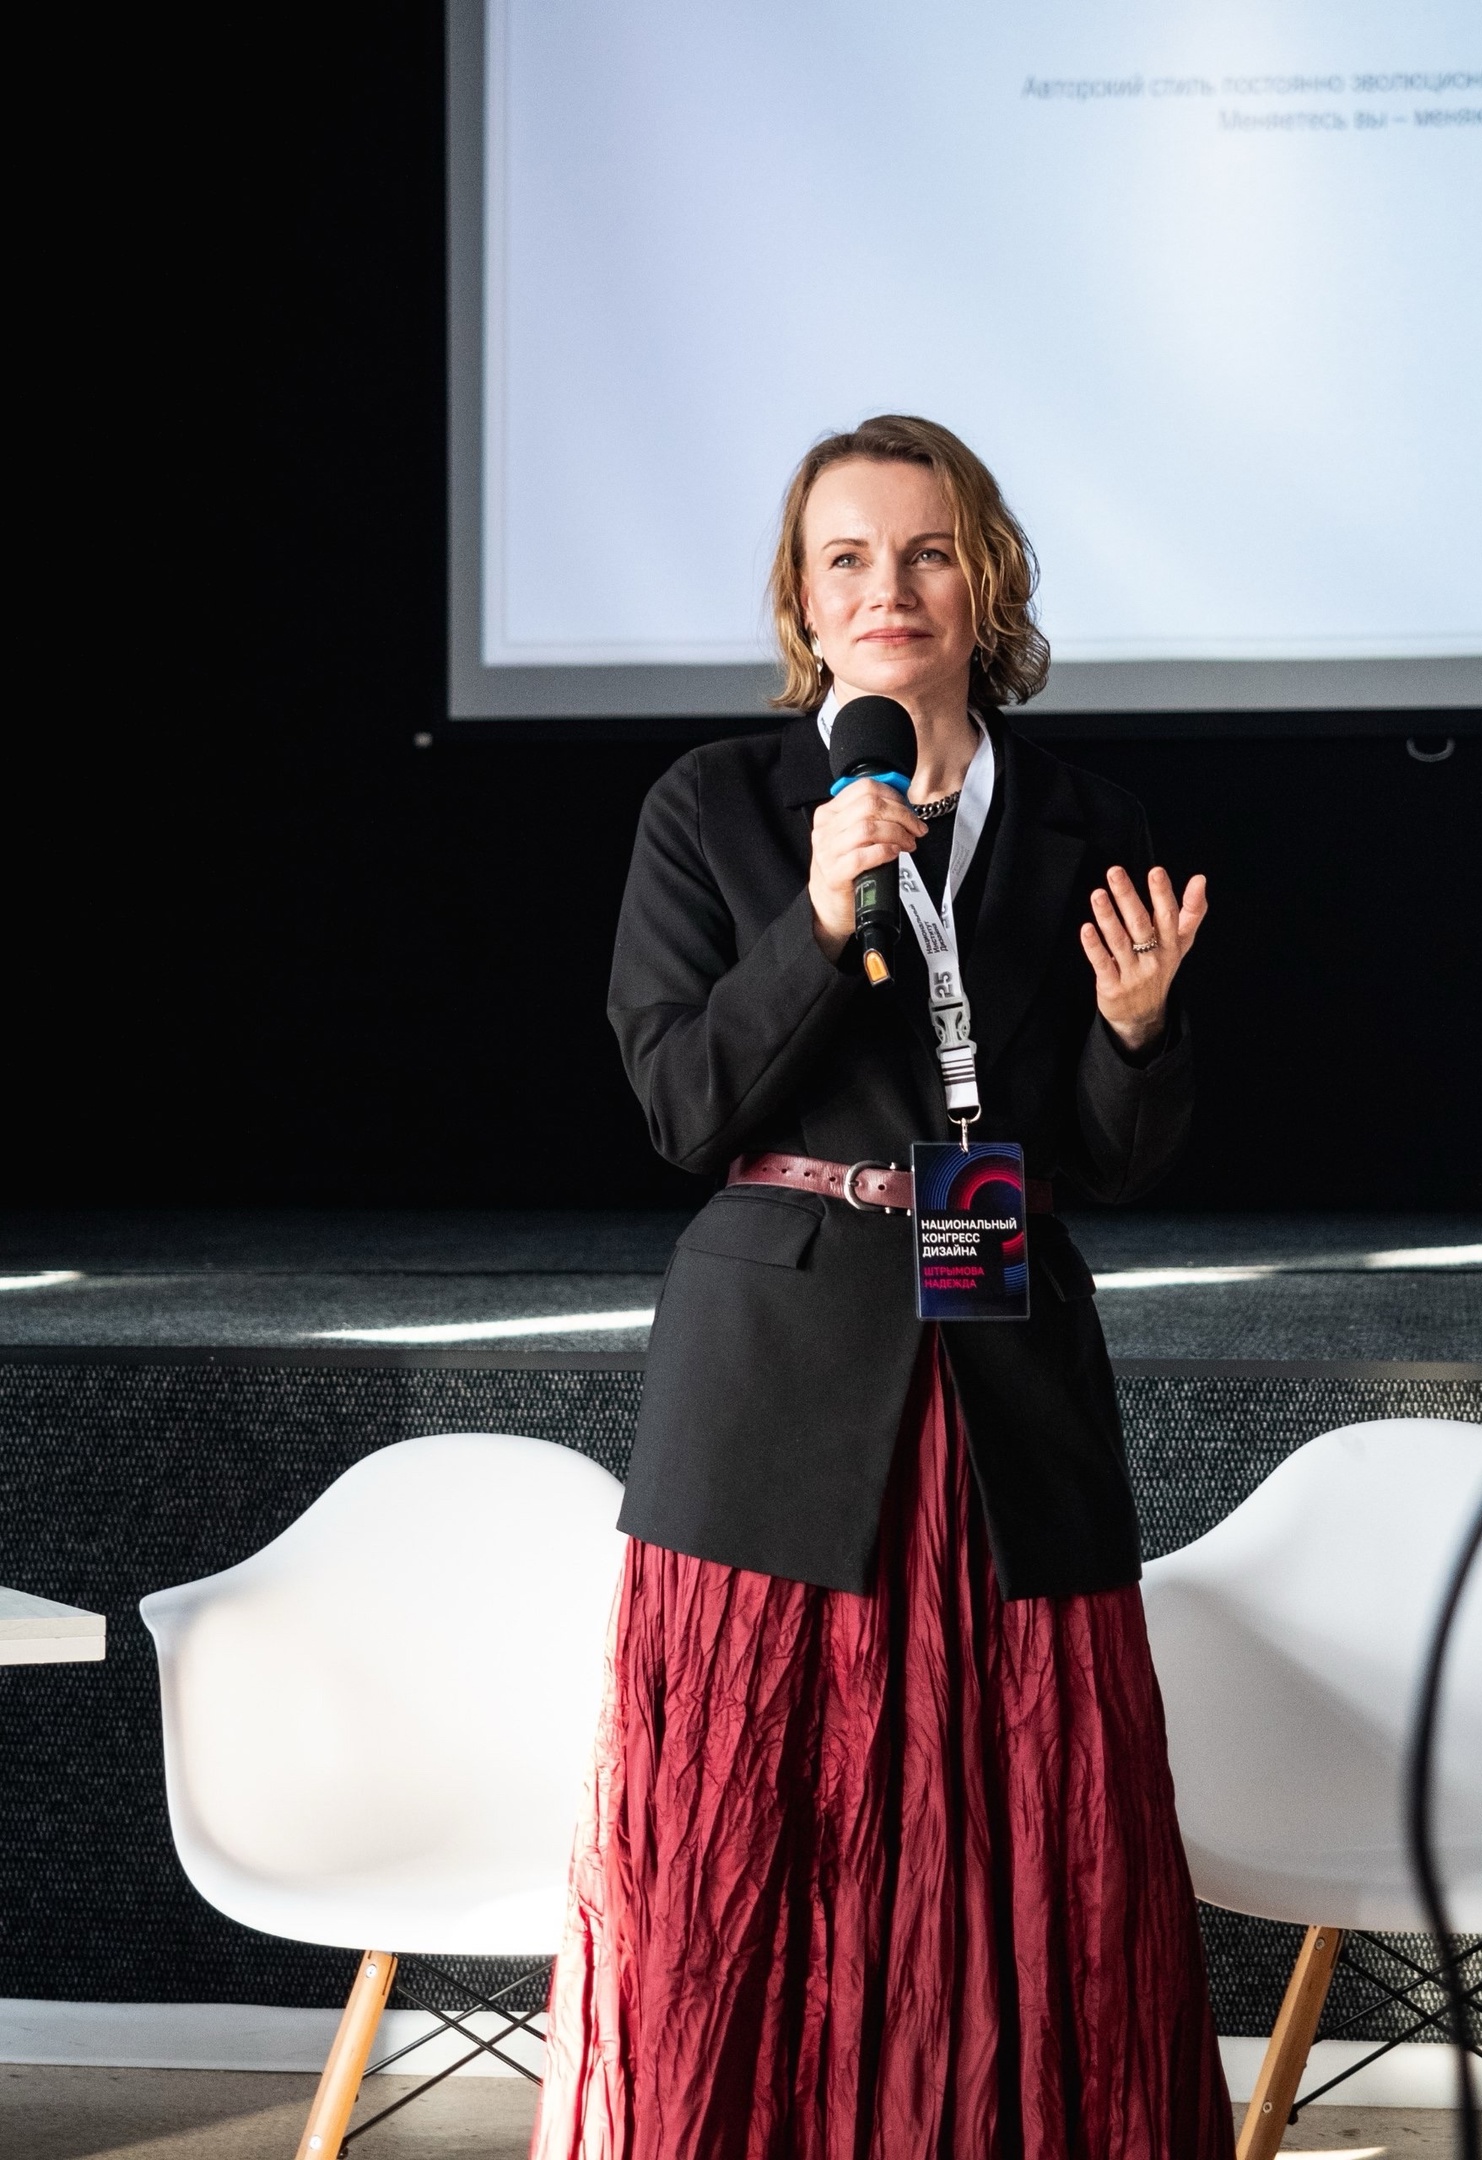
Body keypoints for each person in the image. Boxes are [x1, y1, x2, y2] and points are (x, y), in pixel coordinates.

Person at [535, 414, 1228, 2160]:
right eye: (846, 557)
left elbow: (1111, 1159)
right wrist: (821, 914)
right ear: (802, 597)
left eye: (925, 553)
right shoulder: (714, 808)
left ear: (984, 582)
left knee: (1030, 1829)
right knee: (760, 1839)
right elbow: (683, 1105)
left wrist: (1141, 1035)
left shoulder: (1085, 821)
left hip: (1007, 1365)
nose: (887, 588)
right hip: (779, 1367)